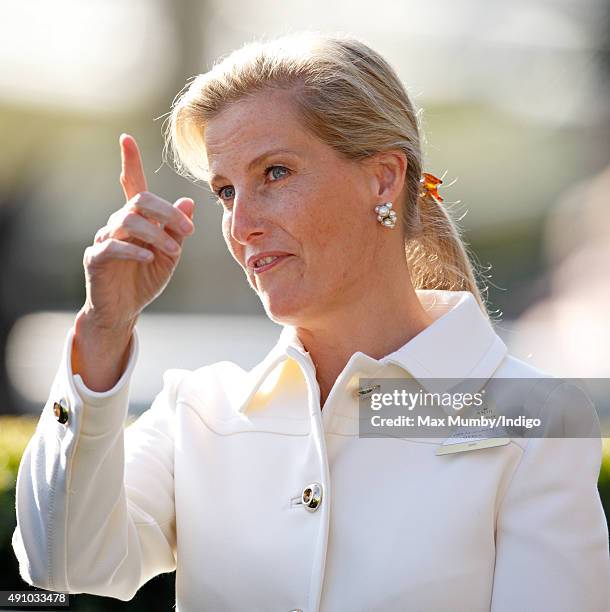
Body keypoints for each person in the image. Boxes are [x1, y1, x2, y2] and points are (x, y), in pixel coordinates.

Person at [11, 32, 610, 612]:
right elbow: (63, 563)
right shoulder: (199, 411)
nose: (241, 223)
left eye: (274, 173)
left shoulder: (534, 419)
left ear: (383, 177)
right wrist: (104, 329)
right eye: (224, 191)